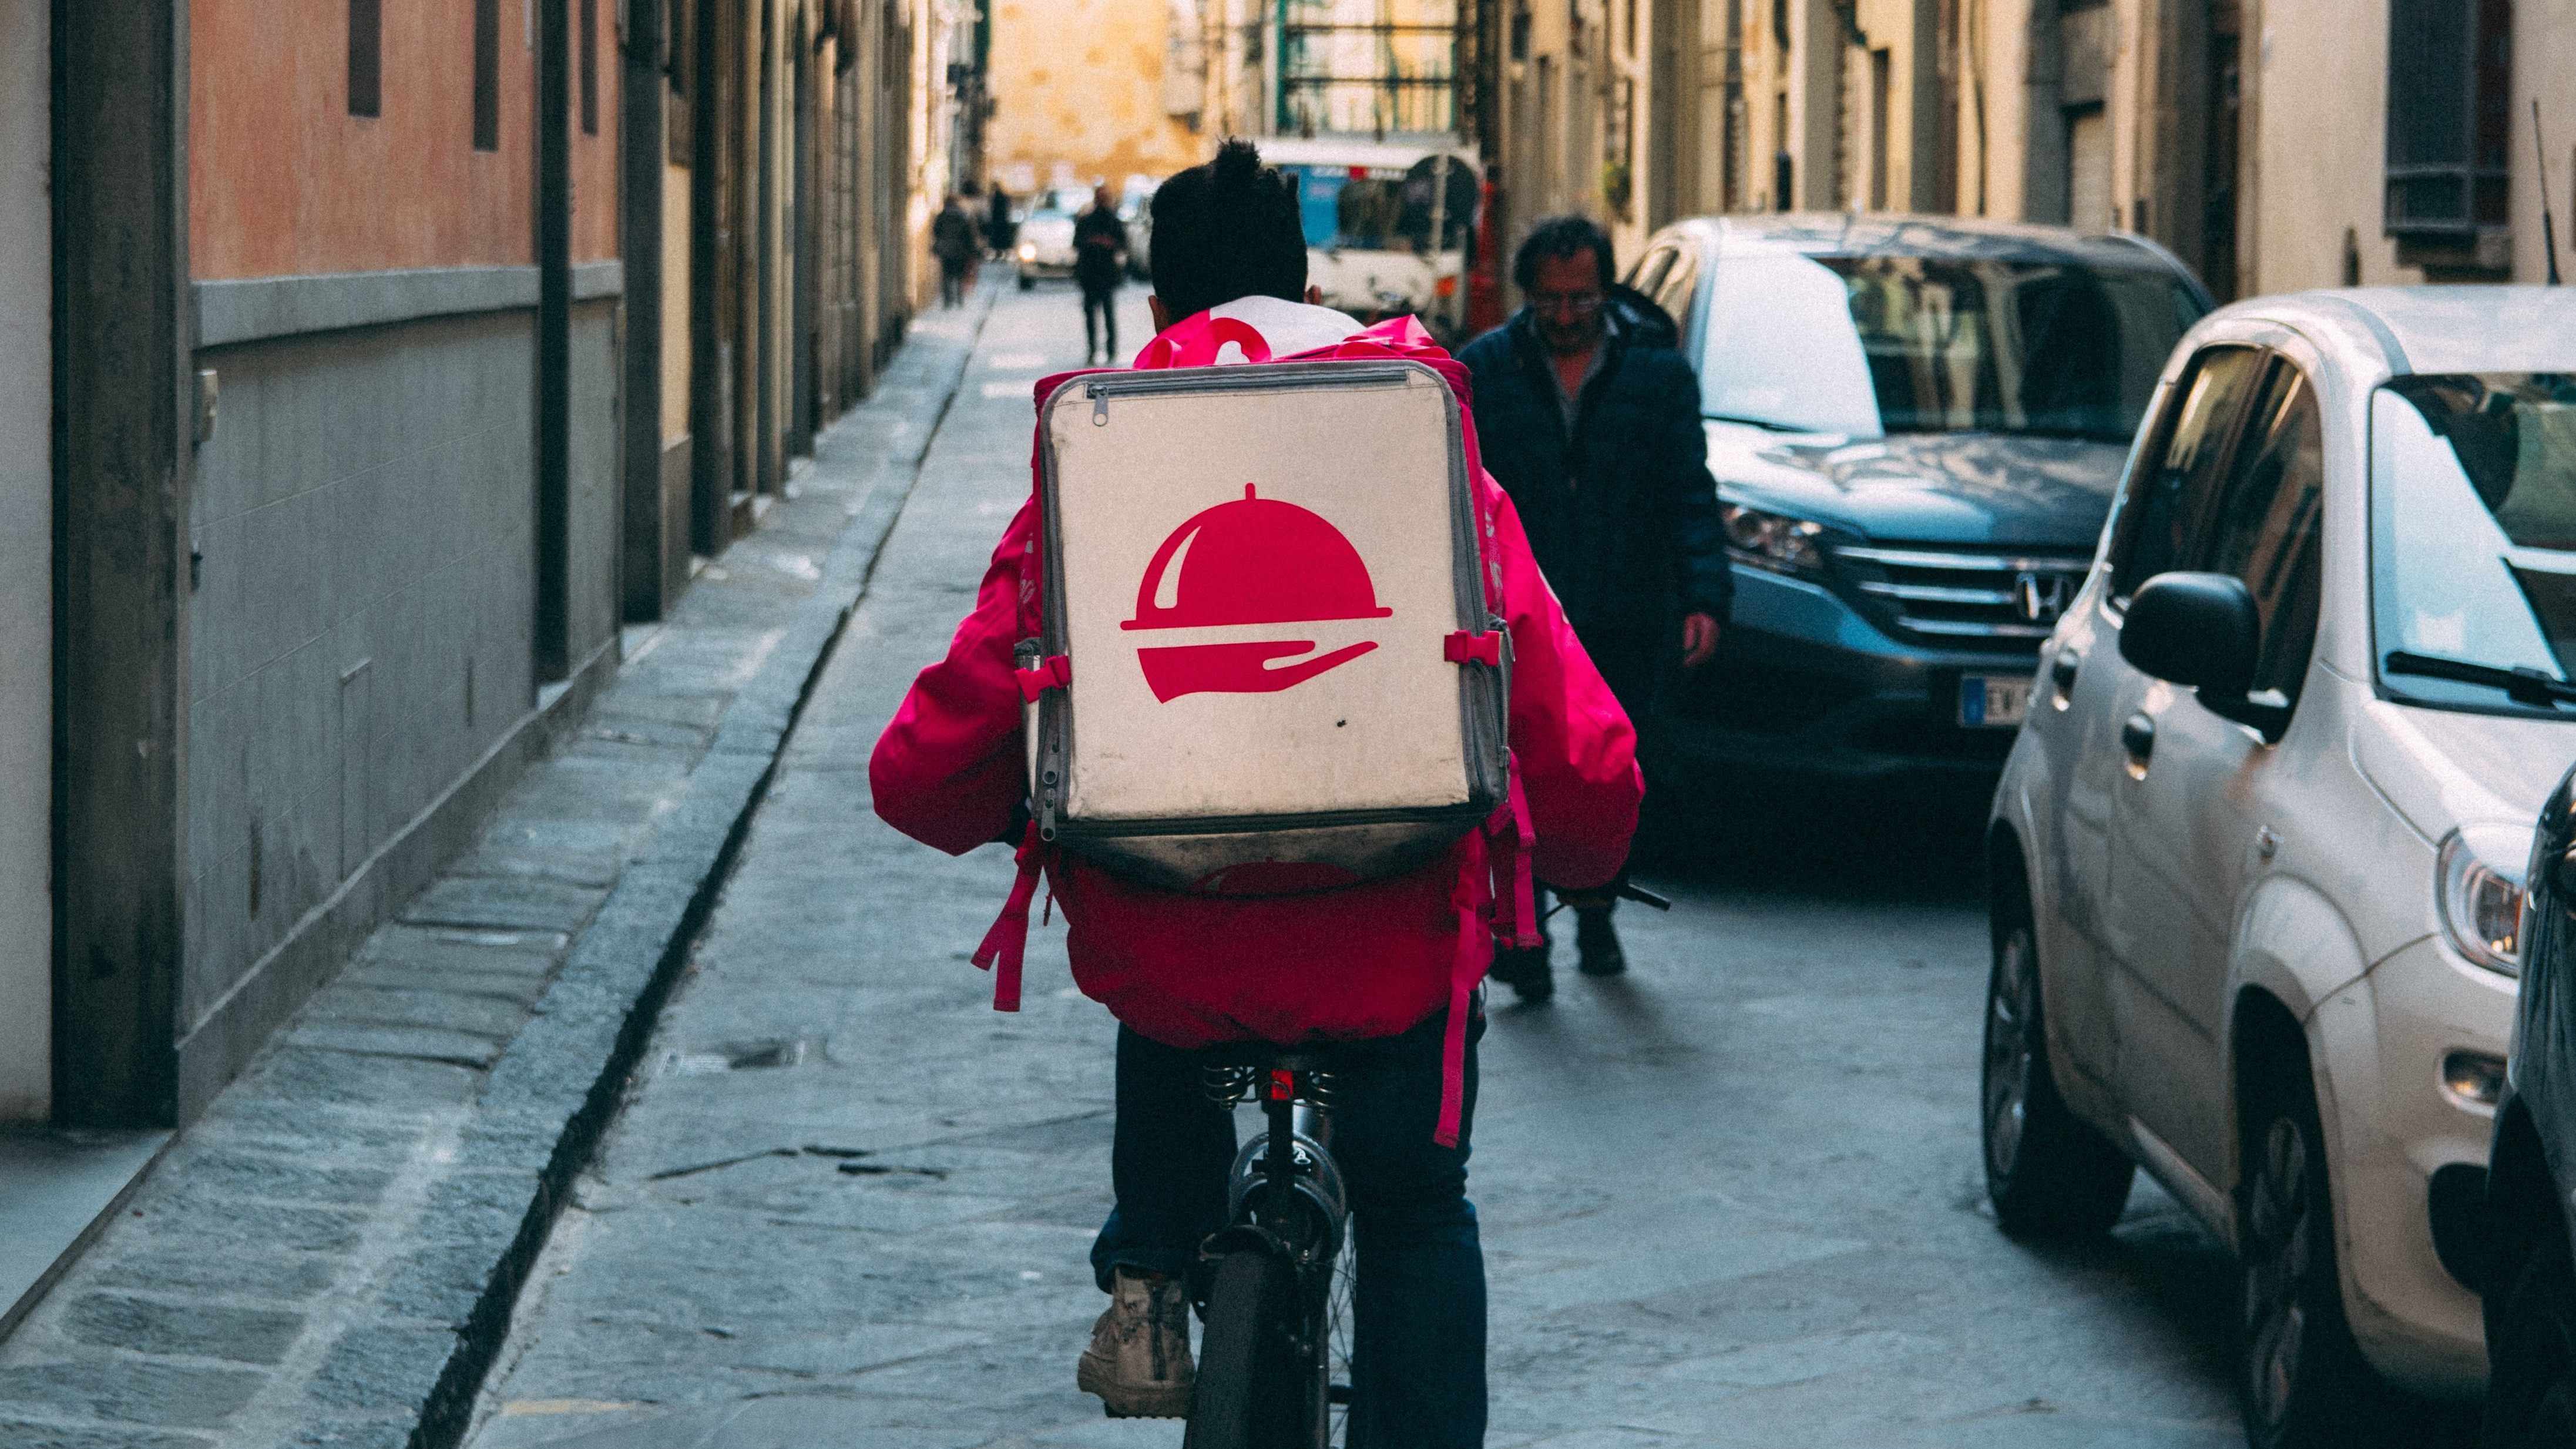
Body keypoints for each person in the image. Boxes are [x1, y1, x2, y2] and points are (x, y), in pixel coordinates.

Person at [869, 140, 1640, 1447]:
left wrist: (962, 802)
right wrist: (1584, 844)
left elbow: (948, 733)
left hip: (1174, 953)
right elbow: (1551, 700)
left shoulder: (1102, 451)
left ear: (1163, 308)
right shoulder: (1418, 428)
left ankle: (1150, 1281)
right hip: (1390, 939)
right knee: (1411, 1207)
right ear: (1307, 284)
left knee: (1157, 965)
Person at [1456, 215, 1731, 999]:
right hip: (1526, 620)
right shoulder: (1486, 372)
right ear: (1527, 296)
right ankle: (1527, 936)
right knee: (1525, 776)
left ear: (1605, 293)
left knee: (1613, 774)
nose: (1567, 316)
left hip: (1627, 607)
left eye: (1581, 299)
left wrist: (1705, 594)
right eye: (1550, 302)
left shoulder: (1659, 375)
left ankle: (1599, 910)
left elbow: (1688, 493)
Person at [1073, 183, 1129, 364]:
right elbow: (1077, 242)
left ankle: (1111, 349)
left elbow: (1122, 243)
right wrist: (1095, 242)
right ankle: (1092, 349)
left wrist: (1108, 243)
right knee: (1091, 314)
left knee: (1108, 313)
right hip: (1090, 273)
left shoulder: (1113, 221)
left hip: (1106, 274)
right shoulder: (1086, 220)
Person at [932, 193, 978, 308]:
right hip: (960, 250)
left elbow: (936, 231)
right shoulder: (963, 216)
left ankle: (948, 301)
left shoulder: (942, 216)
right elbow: (969, 234)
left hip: (946, 250)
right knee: (960, 275)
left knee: (947, 275)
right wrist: (972, 250)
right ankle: (959, 299)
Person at [985, 180, 1015, 259]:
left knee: (997, 240)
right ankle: (1004, 255)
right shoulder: (1005, 197)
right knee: (1004, 241)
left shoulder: (994, 198)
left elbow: (991, 211)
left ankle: (998, 255)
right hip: (1004, 222)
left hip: (996, 222)